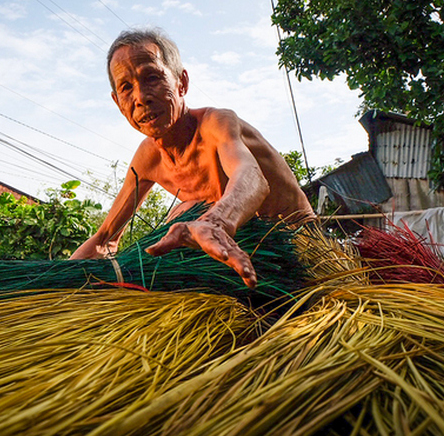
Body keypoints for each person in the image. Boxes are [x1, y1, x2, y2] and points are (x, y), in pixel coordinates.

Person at [70, 28, 315, 288]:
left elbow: (253, 177)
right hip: (237, 252)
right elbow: (105, 239)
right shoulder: (148, 158)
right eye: (127, 87)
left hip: (299, 246)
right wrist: (54, 279)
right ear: (118, 103)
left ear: (181, 83)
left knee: (187, 216)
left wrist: (215, 222)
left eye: (152, 78)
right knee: (178, 222)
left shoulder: (216, 124)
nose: (141, 97)